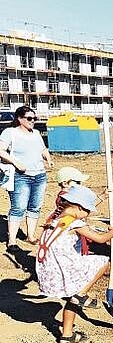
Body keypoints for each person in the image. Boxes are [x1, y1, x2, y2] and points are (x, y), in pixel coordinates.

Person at [35, 186, 113, 343]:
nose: (88, 215)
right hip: (64, 267)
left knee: (73, 300)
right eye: (88, 211)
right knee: (103, 261)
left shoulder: (55, 216)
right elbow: (100, 239)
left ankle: (67, 335)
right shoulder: (75, 222)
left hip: (47, 268)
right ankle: (81, 293)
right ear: (80, 208)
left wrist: (100, 198)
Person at [0, 106, 54, 250]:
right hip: (21, 176)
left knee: (35, 207)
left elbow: (43, 149)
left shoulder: (36, 133)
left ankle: (30, 236)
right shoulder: (10, 132)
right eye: (29, 118)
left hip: (39, 175)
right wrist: (16, 162)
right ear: (20, 119)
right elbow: (1, 151)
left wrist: (48, 159)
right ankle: (12, 241)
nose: (32, 121)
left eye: (34, 118)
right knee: (18, 208)